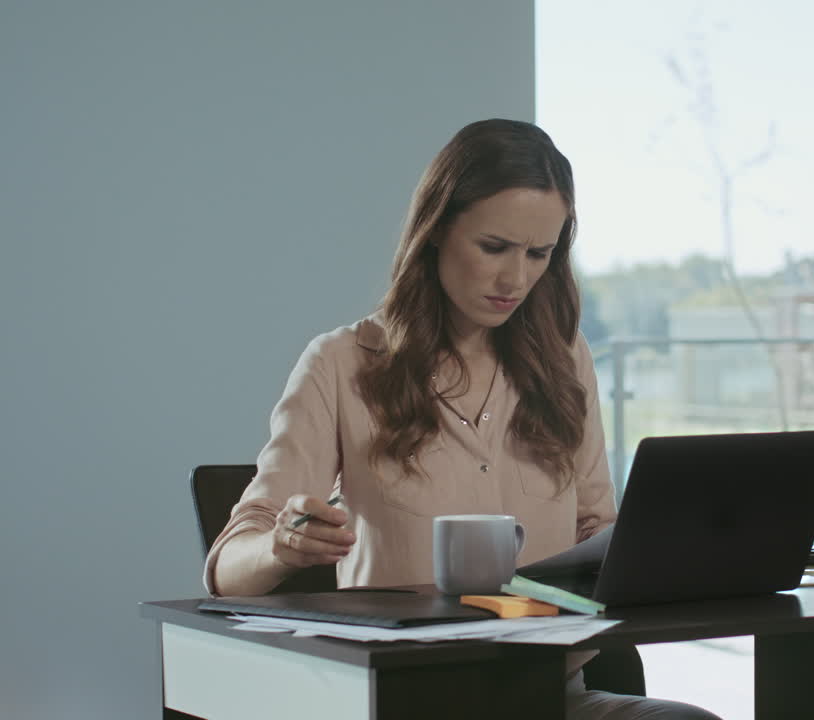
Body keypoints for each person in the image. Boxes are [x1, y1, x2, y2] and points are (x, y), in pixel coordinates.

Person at [203, 119, 721, 720]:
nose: (516, 279)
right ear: (436, 231)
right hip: (404, 699)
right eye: (494, 248)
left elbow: (595, 532)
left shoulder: (564, 359)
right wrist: (283, 547)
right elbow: (227, 572)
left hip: (551, 696)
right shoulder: (341, 363)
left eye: (539, 255)